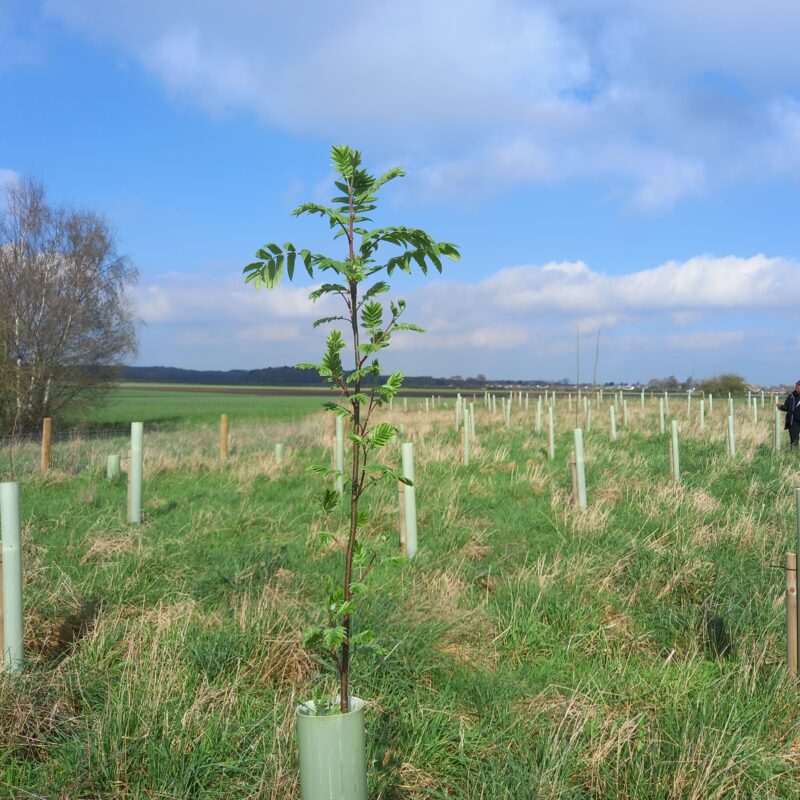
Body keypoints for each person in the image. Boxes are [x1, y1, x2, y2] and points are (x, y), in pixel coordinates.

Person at [777, 381, 800, 446]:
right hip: (793, 421)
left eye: (798, 387)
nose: (796, 389)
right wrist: (781, 407)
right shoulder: (791, 396)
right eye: (796, 387)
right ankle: (793, 454)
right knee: (794, 441)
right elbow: (787, 407)